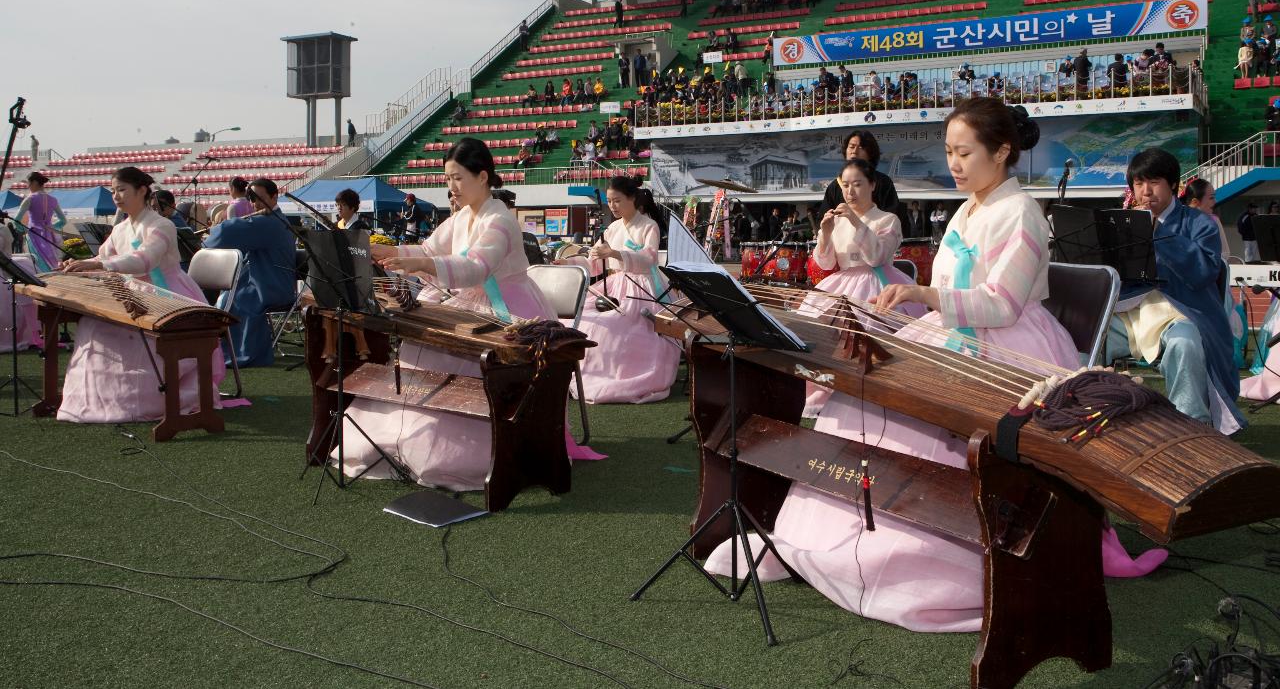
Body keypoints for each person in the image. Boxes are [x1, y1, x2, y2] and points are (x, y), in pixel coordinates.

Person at [706, 98, 1159, 629]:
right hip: (951, 330)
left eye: (964, 152)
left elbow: (1001, 303)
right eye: (949, 152)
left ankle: (914, 566)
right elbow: (949, 287)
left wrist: (923, 293)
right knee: (870, 400)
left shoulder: (1022, 213)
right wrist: (921, 299)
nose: (955, 164)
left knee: (936, 432)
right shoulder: (969, 208)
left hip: (1011, 343)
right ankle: (824, 545)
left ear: (1003, 151)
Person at [351, 137, 597, 487]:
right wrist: (381, 251)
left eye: (458, 178)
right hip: (471, 304)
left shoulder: (499, 219)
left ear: (483, 177)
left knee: (455, 361)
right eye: (447, 178)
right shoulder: (463, 217)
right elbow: (426, 247)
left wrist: (421, 262)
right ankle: (404, 440)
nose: (451, 187)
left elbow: (476, 266)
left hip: (509, 309)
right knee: (417, 350)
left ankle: (464, 451)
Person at [55, 167, 226, 424]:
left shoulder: (161, 225)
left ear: (142, 190)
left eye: (122, 190)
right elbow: (104, 257)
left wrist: (99, 265)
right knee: (94, 324)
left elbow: (144, 260)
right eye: (113, 191)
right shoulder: (122, 228)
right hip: (132, 292)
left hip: (168, 294)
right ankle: (105, 400)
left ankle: (149, 399)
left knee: (143, 340)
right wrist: (78, 264)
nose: (116, 196)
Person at [1105, 149, 1245, 435]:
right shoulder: (1125, 222)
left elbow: (1203, 273)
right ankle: (1092, 413)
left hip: (1183, 311)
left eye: (1154, 182)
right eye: (1139, 184)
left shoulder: (1200, 223)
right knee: (1085, 336)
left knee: (1186, 344)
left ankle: (1191, 428)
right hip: (1133, 311)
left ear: (1172, 184)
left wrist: (1158, 234)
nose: (1146, 191)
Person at [798, 158, 925, 416]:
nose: (850, 191)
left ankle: (876, 394)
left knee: (874, 338)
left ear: (872, 185)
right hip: (842, 283)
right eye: (845, 185)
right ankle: (827, 390)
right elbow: (826, 261)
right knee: (818, 333)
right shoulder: (839, 220)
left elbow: (877, 257)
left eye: (857, 184)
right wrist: (825, 232)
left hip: (879, 283)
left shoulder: (888, 219)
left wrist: (857, 223)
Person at [560, 176, 679, 403]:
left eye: (617, 201)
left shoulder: (648, 225)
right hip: (616, 284)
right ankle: (594, 372)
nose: (612, 206)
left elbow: (649, 259)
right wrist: (567, 263)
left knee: (617, 328)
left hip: (642, 287)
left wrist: (615, 254)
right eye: (610, 201)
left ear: (632, 198)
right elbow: (594, 261)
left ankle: (621, 374)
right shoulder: (613, 228)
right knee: (579, 319)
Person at [202, 178, 298, 368]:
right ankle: (226, 350)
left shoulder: (269, 223)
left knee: (237, 300)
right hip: (266, 279)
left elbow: (226, 234)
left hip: (272, 284)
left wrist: (215, 227)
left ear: (274, 196)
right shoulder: (271, 220)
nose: (255, 204)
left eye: (259, 198)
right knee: (230, 295)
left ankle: (241, 354)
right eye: (252, 199)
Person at [818, 130, 901, 223]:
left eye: (861, 147)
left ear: (870, 153)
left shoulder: (883, 182)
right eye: (851, 147)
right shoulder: (834, 186)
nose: (854, 151)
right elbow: (822, 219)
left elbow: (892, 218)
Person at [15, 172, 66, 272]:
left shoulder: (29, 199)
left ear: (34, 182)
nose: (27, 187)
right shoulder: (53, 199)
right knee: (52, 263)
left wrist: (24, 229)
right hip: (50, 236)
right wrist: (52, 227)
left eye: (28, 184)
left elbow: (16, 220)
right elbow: (63, 221)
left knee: (37, 264)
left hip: (34, 235)